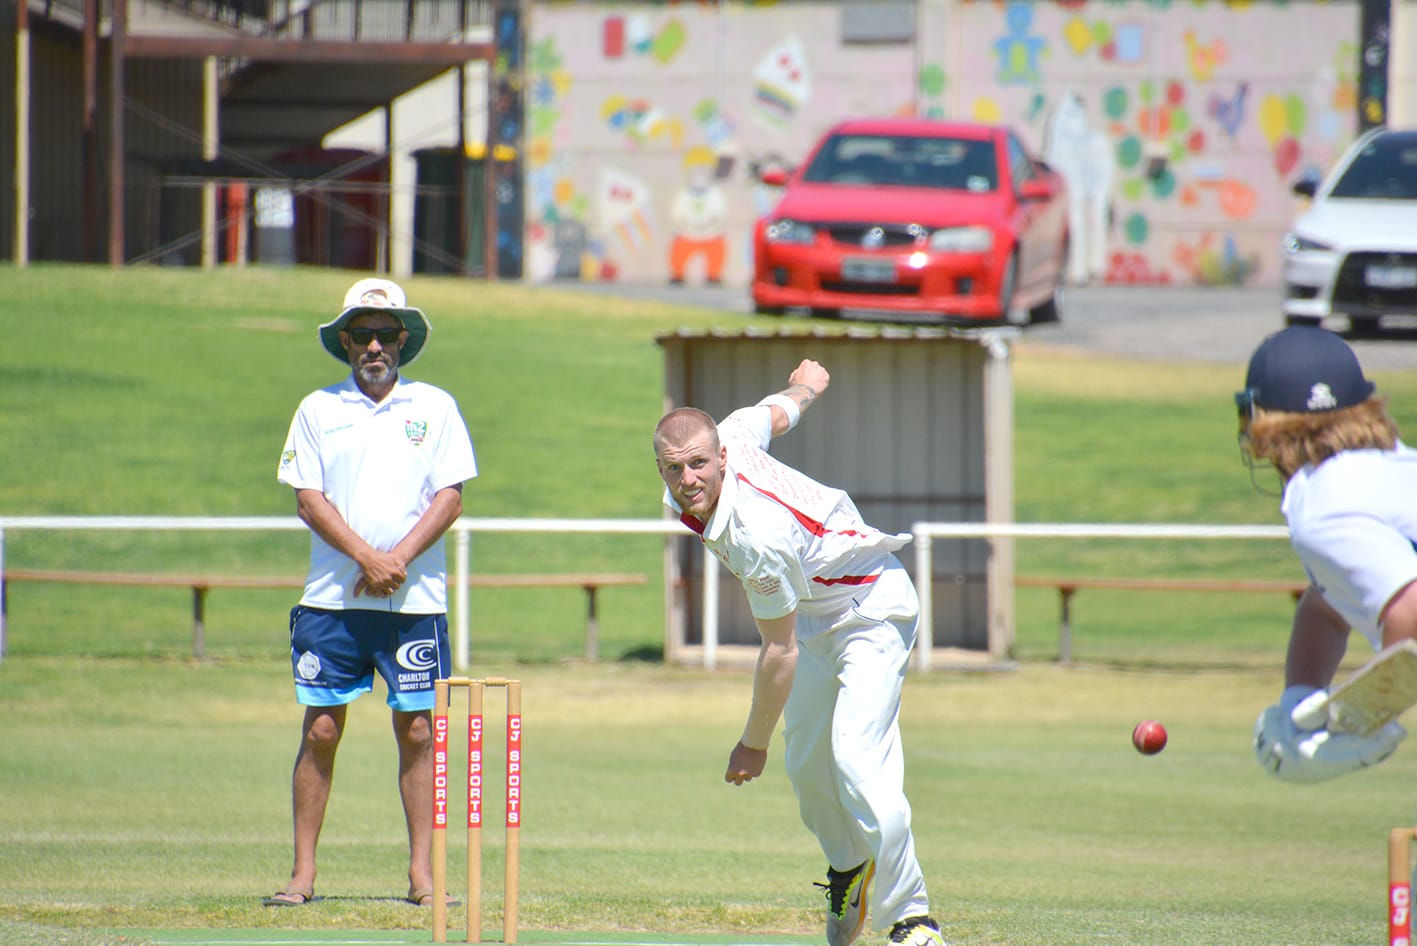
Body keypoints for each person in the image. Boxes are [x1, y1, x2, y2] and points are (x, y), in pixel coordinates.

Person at [653, 359, 947, 946]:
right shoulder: (731, 433)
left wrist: (751, 742)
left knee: (857, 759)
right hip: (817, 615)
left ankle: (912, 917)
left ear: (722, 459)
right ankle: (849, 867)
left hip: (870, 607)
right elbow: (773, 413)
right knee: (809, 767)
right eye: (673, 468)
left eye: (698, 465)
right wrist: (806, 386)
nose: (688, 479)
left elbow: (779, 652)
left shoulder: (754, 535)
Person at [265, 277, 478, 907]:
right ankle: (302, 875)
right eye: (363, 334)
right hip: (333, 598)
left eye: (386, 333)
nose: (376, 345)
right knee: (322, 730)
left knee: (417, 732)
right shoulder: (317, 409)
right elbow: (308, 498)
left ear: (403, 340)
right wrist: (366, 557)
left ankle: (422, 876)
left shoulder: (435, 407)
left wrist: (397, 561)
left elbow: (451, 495)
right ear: (347, 341)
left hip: (414, 602)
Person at [1240, 326, 1417, 784]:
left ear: (1261, 423)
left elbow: (1412, 609)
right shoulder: (1392, 468)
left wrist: (1358, 717)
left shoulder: (1321, 504)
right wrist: (1301, 703)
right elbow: (1329, 604)